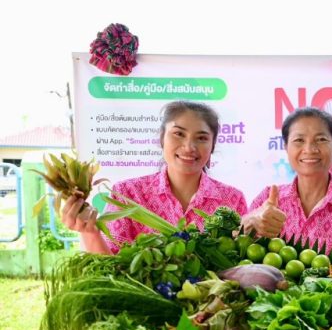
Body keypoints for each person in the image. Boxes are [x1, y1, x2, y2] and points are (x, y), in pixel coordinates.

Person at [61, 100, 247, 253]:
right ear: (162, 138)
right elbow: (110, 266)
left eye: (202, 138)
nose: (189, 147)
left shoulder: (232, 199)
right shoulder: (127, 194)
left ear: (212, 145)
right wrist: (90, 232)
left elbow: (241, 266)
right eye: (179, 134)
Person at [245, 107, 332, 258]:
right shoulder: (266, 199)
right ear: (286, 147)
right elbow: (239, 257)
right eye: (299, 140)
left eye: (321, 139)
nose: (309, 149)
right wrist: (249, 223)